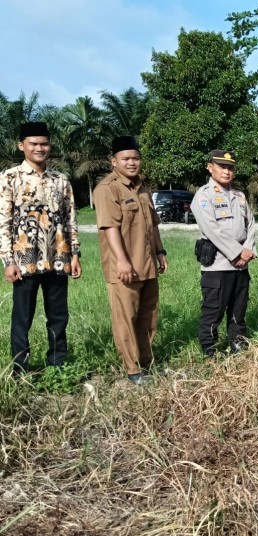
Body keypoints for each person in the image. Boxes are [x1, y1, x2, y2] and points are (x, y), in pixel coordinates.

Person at [0, 121, 82, 374]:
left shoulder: (61, 180)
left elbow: (71, 219)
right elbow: (3, 220)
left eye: (44, 143)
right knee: (22, 317)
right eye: (33, 143)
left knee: (58, 315)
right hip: (25, 259)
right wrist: (8, 261)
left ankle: (58, 364)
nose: (39, 148)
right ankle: (20, 368)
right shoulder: (9, 177)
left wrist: (75, 254)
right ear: (21, 146)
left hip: (58, 256)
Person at [94, 136, 168, 384]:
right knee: (126, 318)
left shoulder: (143, 187)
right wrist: (122, 261)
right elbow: (109, 228)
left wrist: (160, 251)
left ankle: (147, 362)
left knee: (149, 316)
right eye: (125, 158)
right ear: (114, 161)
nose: (132, 162)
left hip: (146, 264)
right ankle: (132, 369)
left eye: (135, 158)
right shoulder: (108, 189)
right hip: (124, 267)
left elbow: (153, 224)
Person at [191, 150, 257, 357]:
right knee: (214, 308)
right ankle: (209, 347)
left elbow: (251, 224)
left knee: (239, 306)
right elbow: (212, 229)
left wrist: (248, 249)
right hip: (218, 264)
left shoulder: (239, 195)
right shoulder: (203, 195)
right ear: (210, 167)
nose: (226, 171)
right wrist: (237, 253)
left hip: (241, 263)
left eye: (230, 167)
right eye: (222, 166)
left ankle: (237, 341)